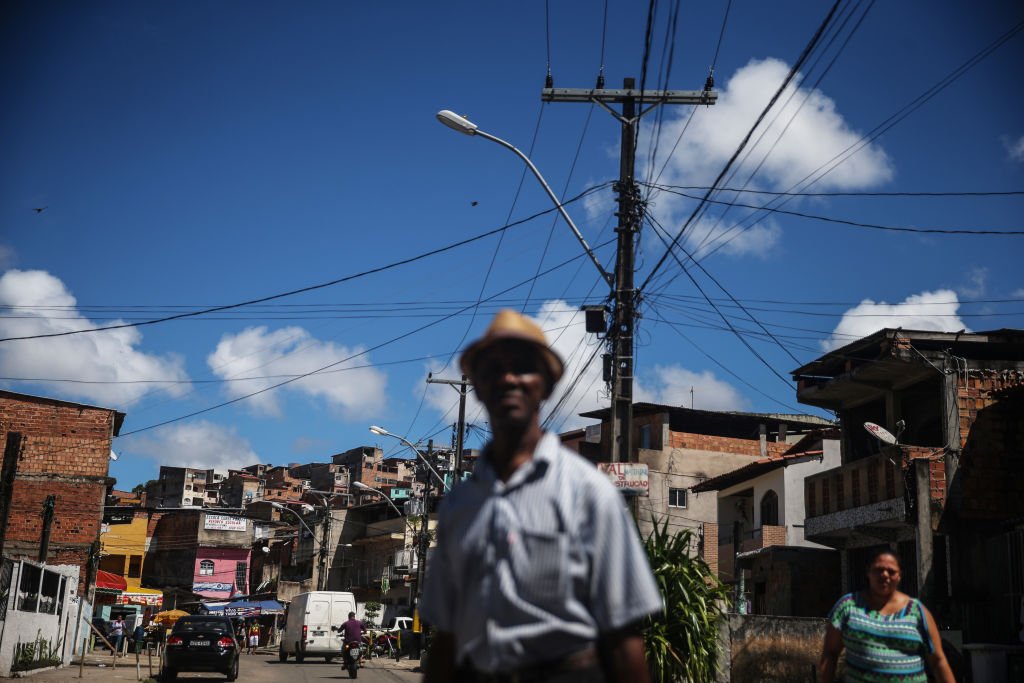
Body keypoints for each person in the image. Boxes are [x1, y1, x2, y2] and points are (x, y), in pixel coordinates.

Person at [420, 309, 662, 683]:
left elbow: (623, 638)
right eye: (493, 369)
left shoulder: (589, 492)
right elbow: (447, 638)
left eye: (523, 367)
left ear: (546, 386)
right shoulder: (459, 504)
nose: (508, 379)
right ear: (477, 385)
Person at [818, 548, 955, 682]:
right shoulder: (848, 607)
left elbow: (937, 661)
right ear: (868, 572)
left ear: (899, 575)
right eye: (878, 570)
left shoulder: (917, 611)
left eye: (891, 571)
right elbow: (830, 654)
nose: (884, 575)